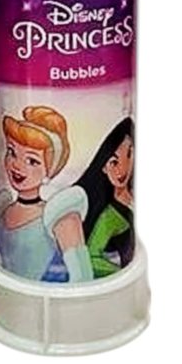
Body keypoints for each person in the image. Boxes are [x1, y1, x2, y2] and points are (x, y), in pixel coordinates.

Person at [0, 106, 93, 282]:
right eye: (11, 152)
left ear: (50, 170)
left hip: (55, 298)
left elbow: (83, 277)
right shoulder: (4, 207)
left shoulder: (59, 215)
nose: (17, 165)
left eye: (32, 161)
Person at [74, 118, 135, 278]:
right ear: (103, 167)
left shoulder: (132, 199)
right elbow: (92, 257)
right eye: (113, 162)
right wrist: (117, 272)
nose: (122, 169)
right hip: (117, 283)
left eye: (129, 154)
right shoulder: (110, 215)